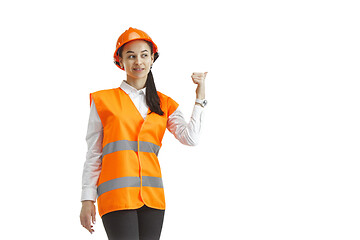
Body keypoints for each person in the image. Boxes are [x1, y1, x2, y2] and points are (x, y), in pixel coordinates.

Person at [79, 27, 208, 240]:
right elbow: (93, 155)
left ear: (152, 59)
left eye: (144, 55)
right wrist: (87, 199)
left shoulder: (164, 103)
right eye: (131, 56)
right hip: (116, 197)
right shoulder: (103, 101)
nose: (138, 61)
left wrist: (200, 96)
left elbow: (191, 138)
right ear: (120, 62)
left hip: (152, 198)